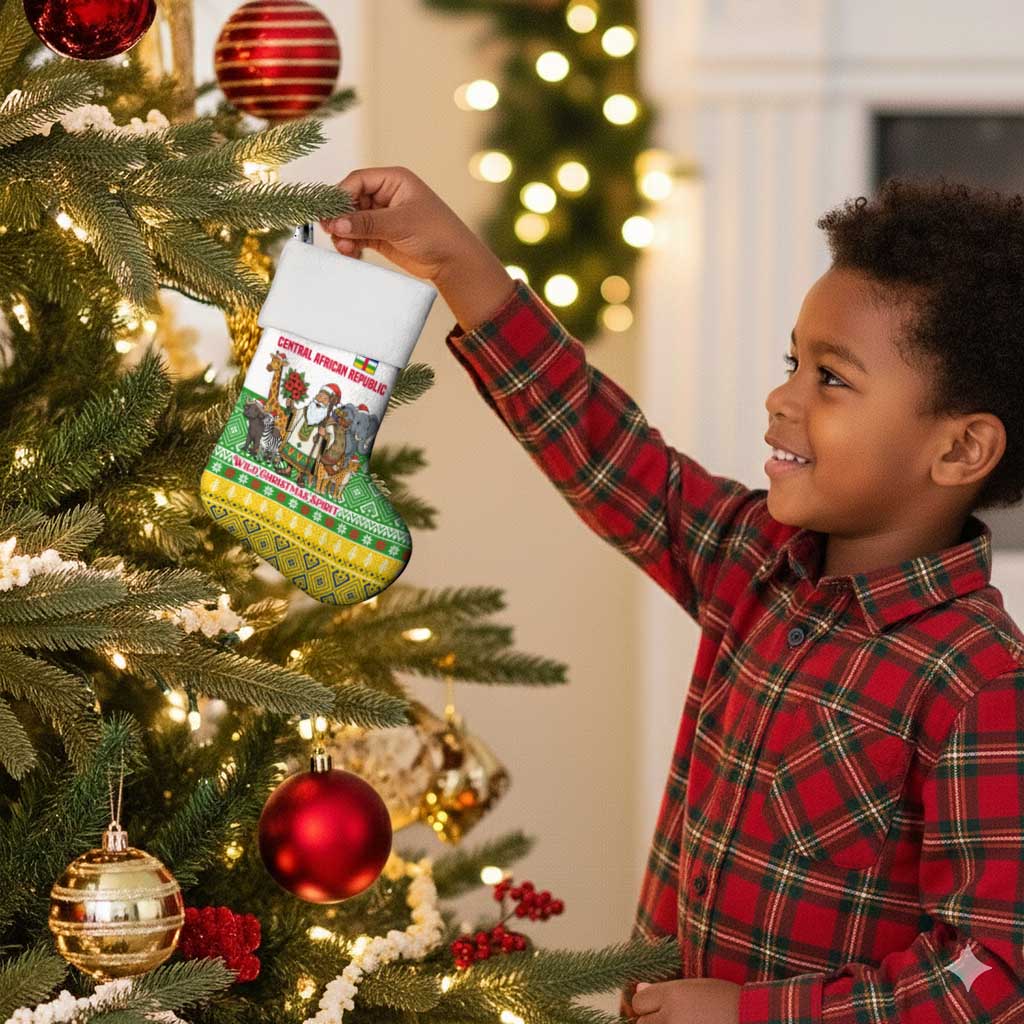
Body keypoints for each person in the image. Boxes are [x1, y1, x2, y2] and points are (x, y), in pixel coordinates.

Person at [321, 168, 1024, 1024]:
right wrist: (458, 264)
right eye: (793, 363)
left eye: (832, 379)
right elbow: (606, 452)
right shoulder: (756, 564)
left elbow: (990, 980)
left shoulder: (981, 683)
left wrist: (750, 1016)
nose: (782, 397)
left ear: (960, 450)